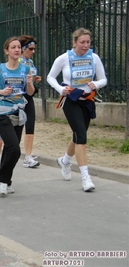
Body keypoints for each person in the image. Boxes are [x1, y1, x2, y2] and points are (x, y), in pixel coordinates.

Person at [47, 28, 107, 192]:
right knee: (81, 136)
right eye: (82, 42)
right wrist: (60, 89)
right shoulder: (64, 58)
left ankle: (65, 161)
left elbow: (103, 79)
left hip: (87, 101)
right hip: (70, 100)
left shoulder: (94, 58)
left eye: (88, 42)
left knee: (78, 135)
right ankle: (85, 178)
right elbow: (50, 77)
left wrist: (96, 84)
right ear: (74, 43)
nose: (85, 45)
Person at [0, 37, 35, 196]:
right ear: (7, 51)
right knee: (14, 148)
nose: (17, 49)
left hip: (18, 112)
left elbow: (30, 92)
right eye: (13, 47)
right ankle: (2, 179)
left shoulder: (26, 69)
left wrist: (30, 83)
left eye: (19, 47)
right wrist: (0, 92)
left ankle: (5, 181)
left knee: (9, 148)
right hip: (2, 112)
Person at [19, 35, 41, 168]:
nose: (33, 51)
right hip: (18, 97)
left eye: (34, 49)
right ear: (23, 49)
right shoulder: (18, 62)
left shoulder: (30, 62)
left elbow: (29, 78)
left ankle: (28, 156)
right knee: (17, 127)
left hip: (29, 97)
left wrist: (34, 79)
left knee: (30, 125)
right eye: (30, 49)